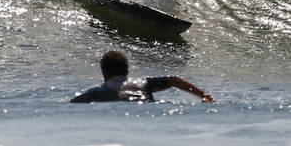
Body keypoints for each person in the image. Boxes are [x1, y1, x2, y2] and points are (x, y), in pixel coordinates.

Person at [70, 50, 215, 103]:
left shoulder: (96, 92)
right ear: (127, 70)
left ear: (104, 72)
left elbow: (72, 104)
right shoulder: (143, 84)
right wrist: (203, 95)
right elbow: (175, 80)